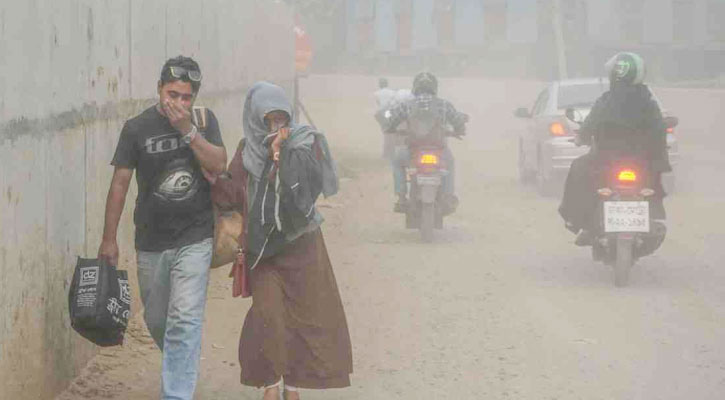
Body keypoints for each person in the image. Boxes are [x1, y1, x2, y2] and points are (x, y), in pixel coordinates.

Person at [98, 56, 227, 400]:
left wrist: (188, 131)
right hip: (151, 241)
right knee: (157, 320)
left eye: (187, 97)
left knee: (184, 319)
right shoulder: (136, 128)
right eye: (173, 94)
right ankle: (180, 361)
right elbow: (119, 185)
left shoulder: (203, 121)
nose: (179, 103)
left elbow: (218, 162)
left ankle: (176, 394)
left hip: (195, 236)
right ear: (158, 90)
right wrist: (109, 238)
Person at [235, 82, 353, 400]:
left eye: (281, 120)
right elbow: (232, 193)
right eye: (268, 120)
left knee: (304, 319)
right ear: (255, 119)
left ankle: (293, 386)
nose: (275, 127)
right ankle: (270, 382)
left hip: (302, 246)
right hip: (265, 251)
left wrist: (280, 156)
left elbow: (300, 199)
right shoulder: (245, 153)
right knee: (268, 316)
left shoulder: (303, 146)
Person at [559, 52, 671, 245]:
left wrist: (580, 138)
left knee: (579, 168)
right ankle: (651, 216)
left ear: (613, 75)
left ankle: (580, 222)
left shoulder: (606, 101)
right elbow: (658, 131)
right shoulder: (649, 103)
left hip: (606, 162)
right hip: (643, 164)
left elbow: (589, 126)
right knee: (653, 183)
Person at [384, 72, 468, 213]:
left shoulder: (407, 105)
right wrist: (459, 130)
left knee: (397, 162)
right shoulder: (444, 104)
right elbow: (458, 120)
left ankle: (401, 197)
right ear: (434, 87)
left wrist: (390, 128)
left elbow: (390, 117)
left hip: (412, 151)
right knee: (450, 162)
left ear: (415, 87)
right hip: (439, 151)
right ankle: (447, 196)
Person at [373, 77, 398, 159]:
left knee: (386, 132)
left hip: (381, 114)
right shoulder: (393, 93)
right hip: (389, 113)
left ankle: (386, 153)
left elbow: (380, 104)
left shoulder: (376, 93)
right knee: (389, 133)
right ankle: (390, 152)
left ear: (380, 84)